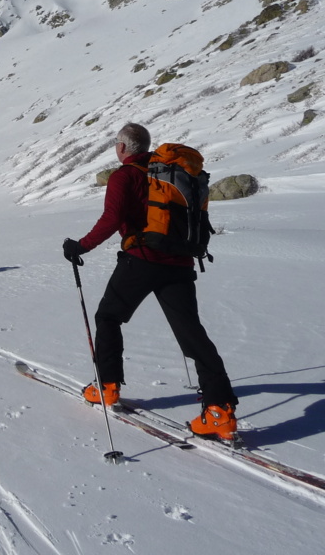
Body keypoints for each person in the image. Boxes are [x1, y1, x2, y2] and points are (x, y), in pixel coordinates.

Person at [62, 123, 239, 441]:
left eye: (116, 143)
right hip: (180, 261)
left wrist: (80, 246)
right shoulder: (167, 172)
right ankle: (220, 410)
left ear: (122, 147)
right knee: (192, 334)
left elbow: (112, 218)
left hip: (141, 259)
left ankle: (107, 386)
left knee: (108, 316)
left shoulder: (124, 175)